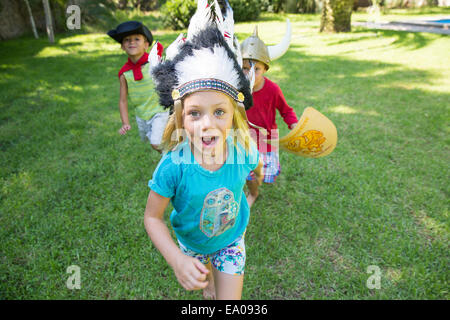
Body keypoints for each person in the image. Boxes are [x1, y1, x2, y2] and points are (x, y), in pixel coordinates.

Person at [143, 0, 262, 300]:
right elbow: (152, 217)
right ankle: (207, 279)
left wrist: (253, 191)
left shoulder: (242, 152)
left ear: (233, 114)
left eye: (219, 112)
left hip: (232, 240)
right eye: (195, 113)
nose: (207, 123)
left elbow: (256, 168)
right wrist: (177, 259)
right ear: (180, 116)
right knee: (204, 281)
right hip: (190, 244)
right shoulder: (173, 166)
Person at [240, 23, 299, 207]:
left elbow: (286, 110)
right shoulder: (237, 89)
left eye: (256, 69)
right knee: (247, 174)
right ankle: (253, 193)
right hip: (243, 139)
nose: (250, 74)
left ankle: (255, 185)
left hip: (266, 140)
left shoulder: (273, 90)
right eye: (245, 68)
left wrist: (293, 124)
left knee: (260, 174)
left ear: (265, 69)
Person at [107, 21, 169, 151]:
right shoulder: (124, 73)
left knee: (156, 143)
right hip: (142, 115)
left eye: (137, 39)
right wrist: (125, 122)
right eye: (127, 40)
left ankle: (174, 163)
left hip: (160, 110)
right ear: (122, 46)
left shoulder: (154, 63)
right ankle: (171, 160)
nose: (132, 42)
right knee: (158, 144)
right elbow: (123, 100)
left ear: (146, 45)